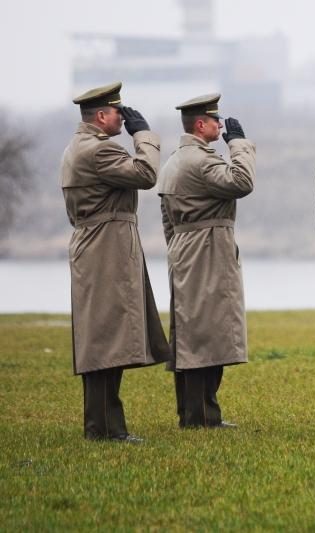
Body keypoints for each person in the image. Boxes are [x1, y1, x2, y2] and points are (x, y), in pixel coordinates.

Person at [59, 81, 170, 443]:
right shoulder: (98, 151)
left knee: (106, 335)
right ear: (101, 115)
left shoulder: (80, 146)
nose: (123, 118)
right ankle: (105, 428)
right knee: (107, 337)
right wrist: (145, 137)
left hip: (102, 244)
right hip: (105, 247)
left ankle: (104, 424)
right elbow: (146, 175)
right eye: (118, 113)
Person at [157, 93, 255, 429]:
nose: (220, 125)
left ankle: (193, 411)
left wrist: (178, 247)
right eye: (215, 120)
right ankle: (201, 415)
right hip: (208, 250)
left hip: (186, 248)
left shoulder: (173, 160)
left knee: (190, 332)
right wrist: (239, 144)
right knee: (206, 335)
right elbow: (242, 182)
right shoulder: (200, 161)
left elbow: (166, 218)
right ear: (200, 125)